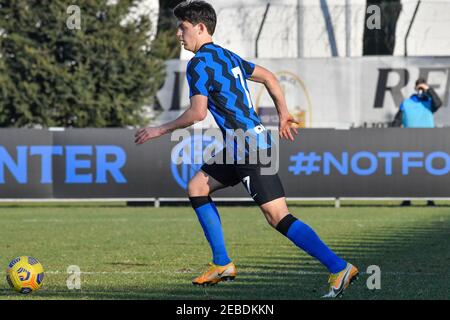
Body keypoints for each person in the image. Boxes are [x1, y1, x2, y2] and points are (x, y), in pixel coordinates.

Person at [135, 0, 358, 298]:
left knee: (278, 217)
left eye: (183, 27)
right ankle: (222, 263)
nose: (179, 34)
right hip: (243, 144)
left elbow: (197, 113)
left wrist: (159, 129)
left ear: (200, 28)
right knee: (197, 186)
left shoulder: (199, 63)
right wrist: (282, 115)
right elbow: (269, 77)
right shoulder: (227, 56)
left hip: (249, 147)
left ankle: (338, 266)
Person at [392, 78, 442, 207]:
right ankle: (407, 199)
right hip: (410, 142)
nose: (421, 90)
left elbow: (438, 103)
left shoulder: (429, 103)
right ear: (415, 88)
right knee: (409, 172)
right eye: (419, 87)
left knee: (428, 172)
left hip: (428, 142)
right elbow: (397, 122)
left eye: (423, 87)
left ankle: (430, 200)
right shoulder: (407, 103)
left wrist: (428, 89)